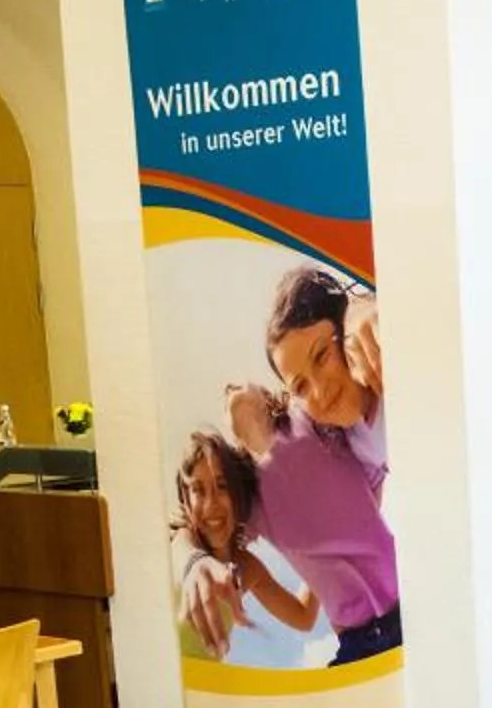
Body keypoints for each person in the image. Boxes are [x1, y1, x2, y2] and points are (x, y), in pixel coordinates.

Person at [177, 265, 402, 667]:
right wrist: (194, 563)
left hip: (407, 606)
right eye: (299, 384)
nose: (318, 390)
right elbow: (190, 528)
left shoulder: (322, 425)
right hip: (358, 639)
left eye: (323, 356)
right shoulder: (259, 502)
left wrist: (363, 306)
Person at [170, 427, 322, 642]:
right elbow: (182, 550)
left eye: (222, 486)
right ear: (185, 500)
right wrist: (196, 564)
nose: (211, 504)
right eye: (198, 490)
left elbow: (303, 616)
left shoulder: (247, 567)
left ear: (238, 495)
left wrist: (322, 542)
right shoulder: (184, 539)